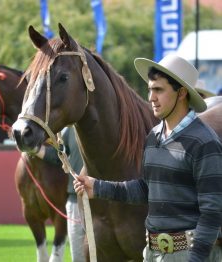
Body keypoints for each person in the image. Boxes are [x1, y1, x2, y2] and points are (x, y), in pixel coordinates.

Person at [74, 54, 222, 262]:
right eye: (150, 89)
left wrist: (195, 258)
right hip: (153, 254)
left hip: (190, 254)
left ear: (181, 93)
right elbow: (146, 188)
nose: (151, 97)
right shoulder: (153, 137)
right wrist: (98, 187)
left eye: (159, 90)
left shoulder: (204, 141)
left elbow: (212, 210)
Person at [36, 126, 86, 262]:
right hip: (75, 201)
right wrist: (34, 148)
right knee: (78, 258)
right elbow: (58, 154)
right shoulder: (71, 129)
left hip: (103, 201)